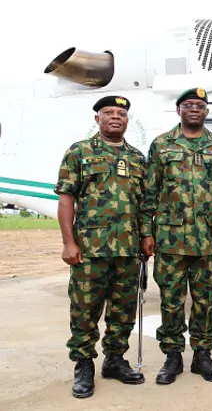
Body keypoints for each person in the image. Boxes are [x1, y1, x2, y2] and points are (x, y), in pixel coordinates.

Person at [54, 95, 147, 398]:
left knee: (123, 310)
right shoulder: (79, 153)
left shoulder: (136, 158)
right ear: (97, 119)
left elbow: (145, 205)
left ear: (127, 120)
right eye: (109, 112)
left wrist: (146, 237)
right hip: (90, 250)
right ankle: (83, 365)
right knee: (85, 310)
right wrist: (69, 242)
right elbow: (66, 198)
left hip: (128, 250)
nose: (116, 117)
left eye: (121, 113)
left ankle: (115, 360)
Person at [141, 88, 212, 385]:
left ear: (206, 112)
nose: (195, 109)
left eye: (200, 105)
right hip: (170, 238)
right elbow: (149, 192)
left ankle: (202, 355)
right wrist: (146, 231)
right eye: (188, 105)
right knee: (170, 300)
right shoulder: (162, 145)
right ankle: (172, 356)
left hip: (208, 239)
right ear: (178, 110)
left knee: (205, 300)